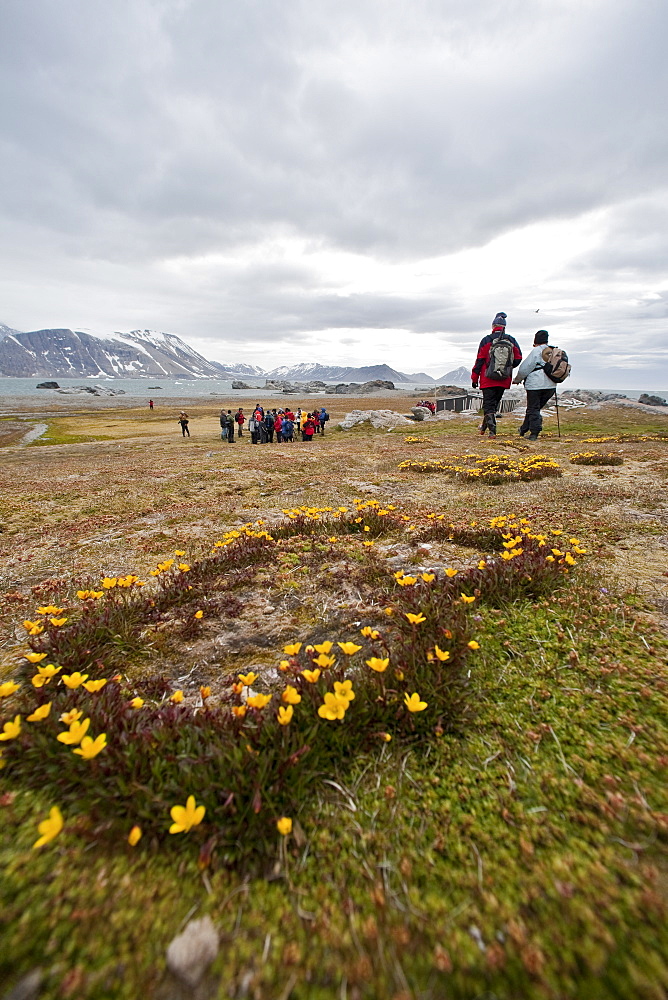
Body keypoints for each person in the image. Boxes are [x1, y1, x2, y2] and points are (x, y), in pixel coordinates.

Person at [471, 312, 522, 437]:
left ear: (493, 326)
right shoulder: (511, 340)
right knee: (493, 405)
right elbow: (518, 358)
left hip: (487, 378)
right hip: (504, 378)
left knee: (488, 405)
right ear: (504, 327)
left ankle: (492, 431)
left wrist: (474, 377)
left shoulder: (486, 340)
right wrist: (507, 367)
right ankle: (483, 427)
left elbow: (479, 360)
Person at [513, 330, 557, 441]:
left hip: (535, 385)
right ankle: (523, 429)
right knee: (534, 409)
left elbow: (525, 368)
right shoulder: (553, 351)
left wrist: (517, 379)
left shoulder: (537, 351)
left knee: (533, 409)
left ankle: (534, 433)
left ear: (535, 340)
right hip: (551, 385)